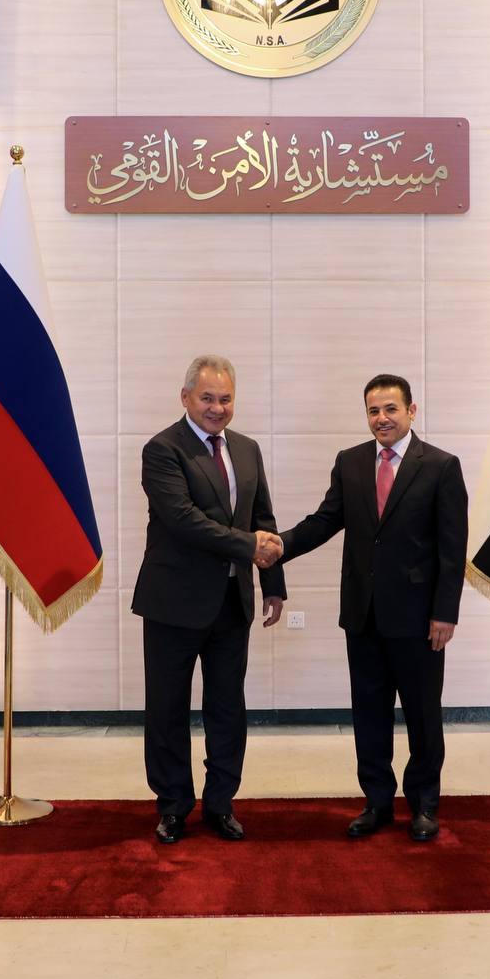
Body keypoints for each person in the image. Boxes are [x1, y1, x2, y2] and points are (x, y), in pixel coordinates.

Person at [277, 374, 468, 842]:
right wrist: (280, 546)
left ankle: (424, 804)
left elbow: (452, 548)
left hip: (420, 619)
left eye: (390, 409)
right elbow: (325, 521)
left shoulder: (440, 466)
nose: (381, 419)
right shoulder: (351, 462)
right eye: (373, 411)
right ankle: (377, 802)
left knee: (423, 715)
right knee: (368, 715)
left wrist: (445, 612)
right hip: (362, 615)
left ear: (411, 411)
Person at [131, 355, 284, 845]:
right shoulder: (162, 449)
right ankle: (174, 806)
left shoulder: (247, 449)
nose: (217, 408)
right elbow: (182, 519)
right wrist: (249, 546)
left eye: (226, 399)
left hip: (231, 603)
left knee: (227, 710)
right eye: (207, 398)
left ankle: (220, 804)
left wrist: (273, 583)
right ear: (185, 398)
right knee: (167, 711)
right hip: (173, 604)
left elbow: (262, 518)